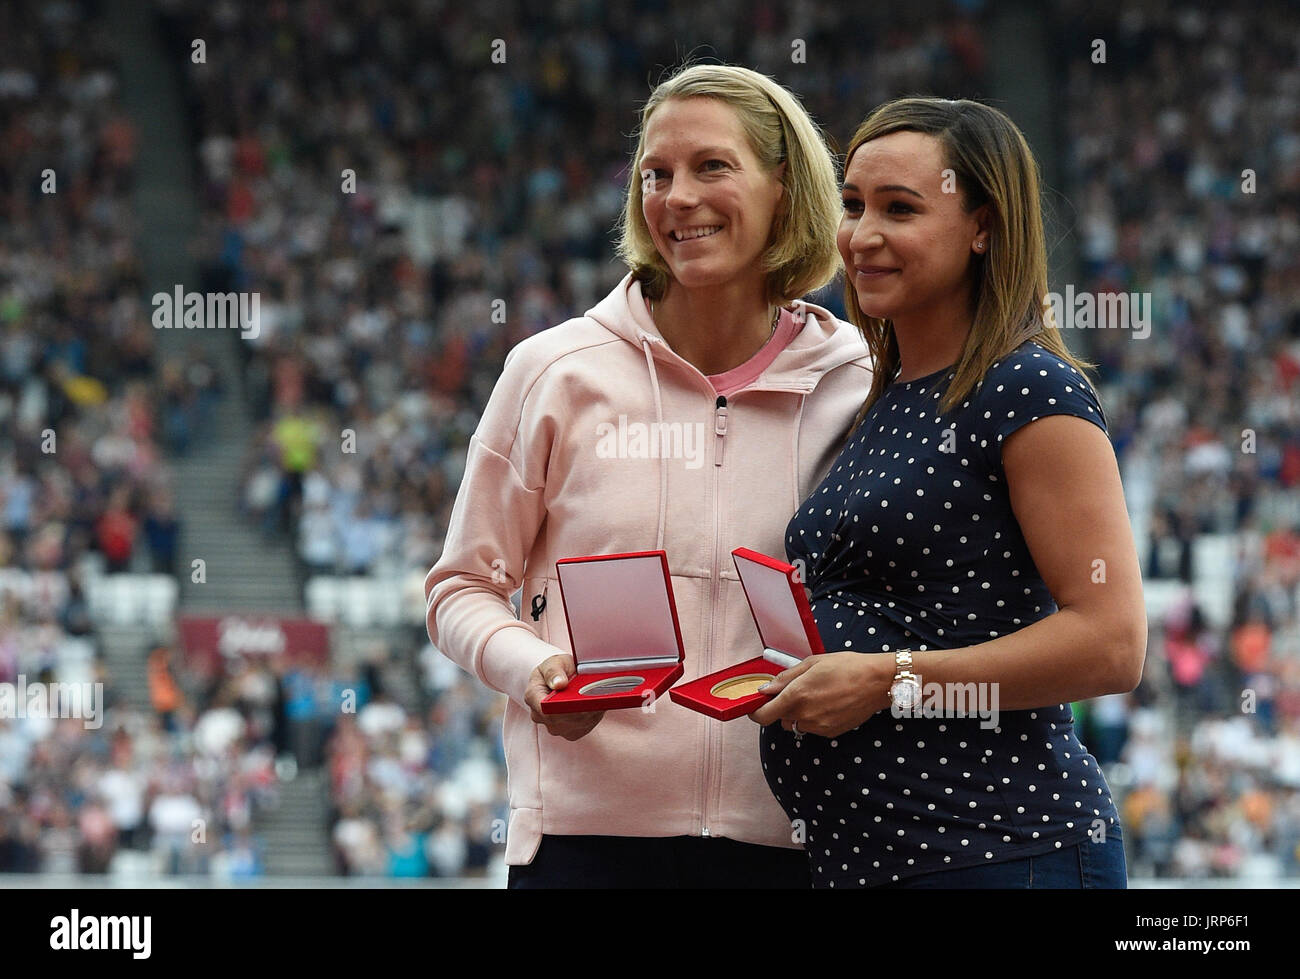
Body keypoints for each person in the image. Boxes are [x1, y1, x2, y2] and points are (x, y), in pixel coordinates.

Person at [424, 62, 873, 887]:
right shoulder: (554, 370)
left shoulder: (858, 378)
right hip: (585, 847)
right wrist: (530, 667)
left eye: (712, 167)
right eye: (656, 174)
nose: (677, 197)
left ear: (783, 187)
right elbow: (459, 587)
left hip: (796, 845)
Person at [751, 97, 1146, 888]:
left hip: (998, 849)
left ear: (984, 227)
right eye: (854, 205)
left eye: (901, 209)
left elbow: (1111, 643)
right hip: (879, 861)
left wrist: (884, 678)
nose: (863, 236)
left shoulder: (1029, 386)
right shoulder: (886, 396)